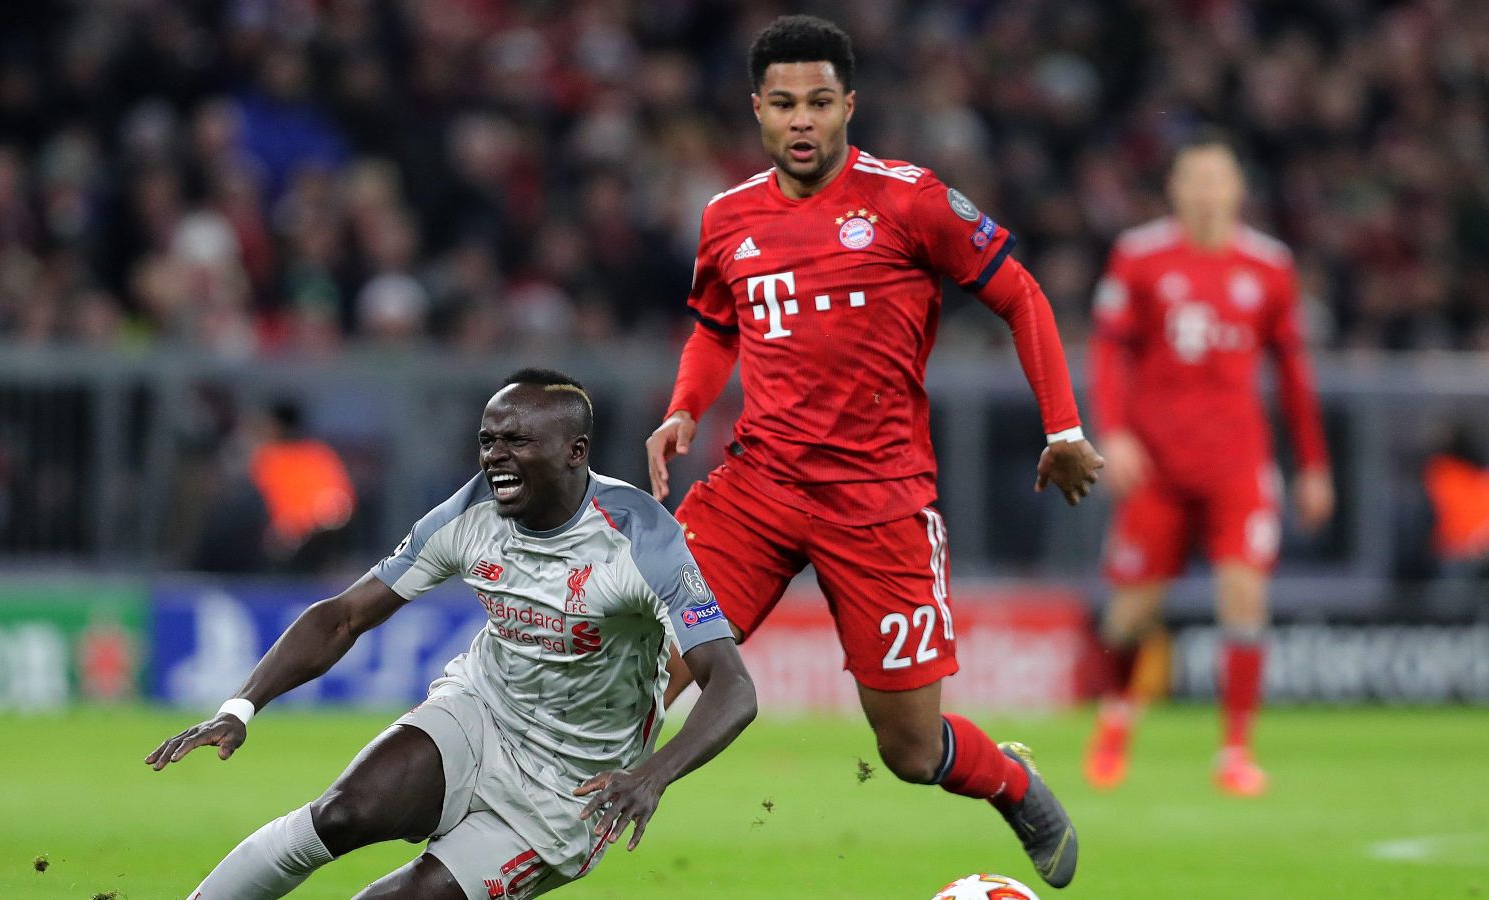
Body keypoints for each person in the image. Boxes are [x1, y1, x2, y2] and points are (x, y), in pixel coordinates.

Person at [644, 16, 1101, 889]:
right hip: (756, 489)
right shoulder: (727, 217)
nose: (802, 120)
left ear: (848, 106)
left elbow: (1021, 295)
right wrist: (684, 408)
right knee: (642, 674)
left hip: (879, 504)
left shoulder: (910, 200)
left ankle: (1011, 782)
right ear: (757, 109)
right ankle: (531, 833)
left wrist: (1065, 430)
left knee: (910, 749)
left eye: (819, 102)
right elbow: (715, 324)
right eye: (784, 103)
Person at [148, 369, 757, 900]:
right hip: (481, 712)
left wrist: (653, 774)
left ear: (575, 451)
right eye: (488, 440)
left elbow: (733, 687)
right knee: (340, 814)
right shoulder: (471, 513)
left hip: (571, 789)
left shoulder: (641, 538)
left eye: (517, 441)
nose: (495, 456)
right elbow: (344, 615)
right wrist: (240, 707)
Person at [1085, 131, 1335, 796]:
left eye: (1216, 180)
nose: (1204, 193)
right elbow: (1107, 352)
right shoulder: (1138, 256)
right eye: (1193, 180)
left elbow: (1293, 374)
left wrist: (1313, 463)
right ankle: (1116, 720)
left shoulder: (1270, 266)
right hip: (1156, 465)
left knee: (1245, 595)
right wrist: (1115, 434)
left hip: (1237, 462)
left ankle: (1235, 751)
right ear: (1174, 189)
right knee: (1131, 612)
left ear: (1237, 189)